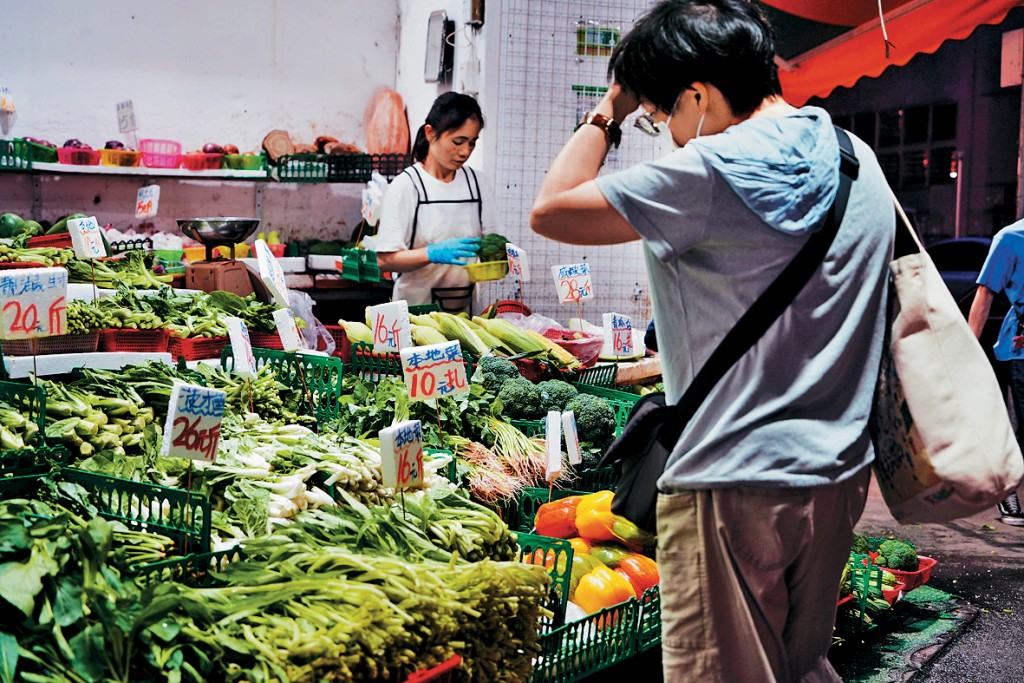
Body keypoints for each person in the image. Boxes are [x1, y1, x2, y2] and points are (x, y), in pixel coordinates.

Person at [529, 1, 894, 680]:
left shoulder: (707, 170)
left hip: (733, 484)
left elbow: (551, 208)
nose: (665, 133)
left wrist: (607, 111)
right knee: (801, 665)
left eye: (659, 114)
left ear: (698, 96)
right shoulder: (855, 159)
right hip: (838, 475)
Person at [375, 92, 502, 311]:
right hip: (415, 312)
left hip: (464, 312)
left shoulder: (477, 183)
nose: (465, 152)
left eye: (472, 143)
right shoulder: (407, 185)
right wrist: (431, 253)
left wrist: (500, 258)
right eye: (458, 142)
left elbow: (493, 240)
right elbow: (384, 260)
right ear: (430, 133)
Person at [967, 225, 1024, 527]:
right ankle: (1006, 489)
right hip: (1020, 349)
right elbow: (985, 293)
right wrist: (966, 347)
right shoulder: (1011, 238)